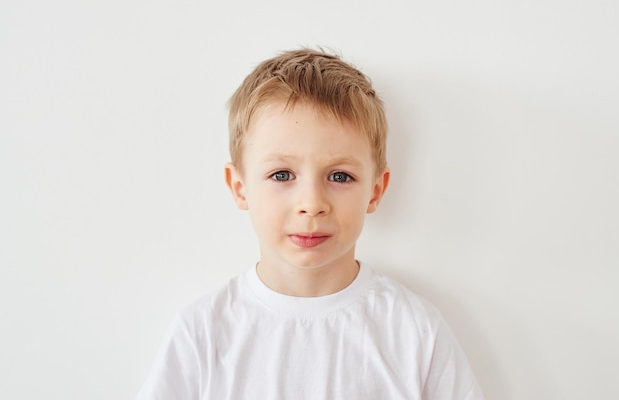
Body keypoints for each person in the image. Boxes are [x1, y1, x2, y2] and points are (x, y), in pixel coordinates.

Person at [135, 48, 485, 400]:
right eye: (282, 174)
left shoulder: (413, 333)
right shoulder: (203, 333)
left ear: (375, 191)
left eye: (340, 176)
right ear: (240, 188)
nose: (312, 204)